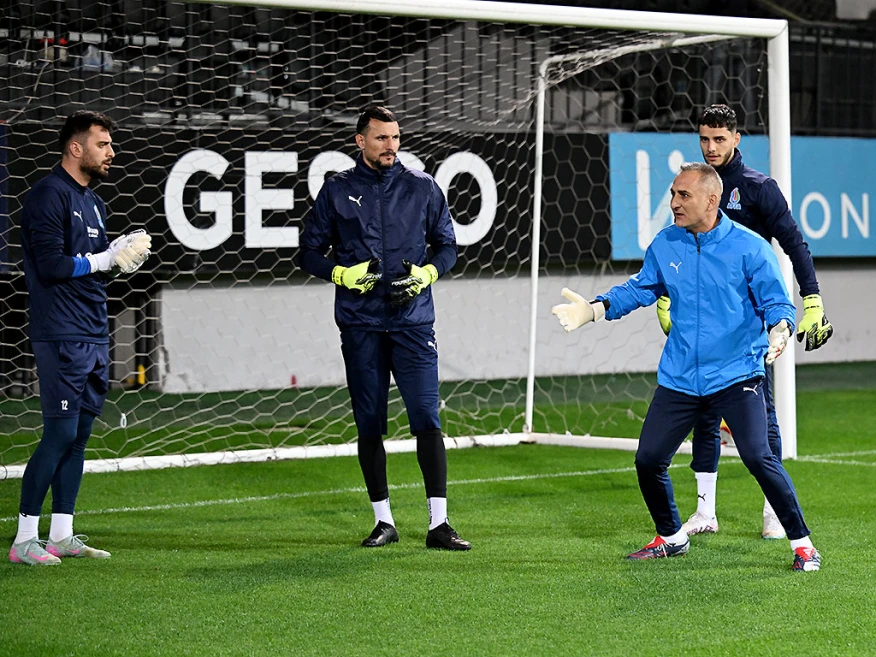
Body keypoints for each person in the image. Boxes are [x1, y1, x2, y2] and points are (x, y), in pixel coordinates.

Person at [552, 162, 821, 571]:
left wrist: (780, 329)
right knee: (648, 459)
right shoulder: (666, 243)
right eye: (673, 194)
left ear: (711, 201)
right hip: (680, 377)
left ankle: (803, 545)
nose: (674, 203)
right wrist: (594, 309)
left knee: (757, 455)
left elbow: (777, 301)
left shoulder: (749, 247)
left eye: (683, 195)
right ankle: (672, 537)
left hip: (735, 374)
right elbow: (640, 288)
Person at [656, 104, 833, 541]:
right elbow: (678, 248)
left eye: (719, 139)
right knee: (703, 413)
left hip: (749, 322)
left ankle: (774, 511)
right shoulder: (693, 187)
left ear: (737, 138)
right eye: (704, 138)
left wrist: (811, 299)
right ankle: (705, 511)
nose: (711, 147)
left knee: (763, 413)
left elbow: (794, 244)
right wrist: (665, 295)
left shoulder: (758, 188)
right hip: (703, 319)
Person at [298, 105, 470, 551]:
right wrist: (340, 274)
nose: (391, 145)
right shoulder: (337, 189)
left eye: (395, 137)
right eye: (381, 138)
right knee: (370, 423)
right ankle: (384, 522)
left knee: (427, 419)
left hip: (414, 323)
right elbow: (308, 251)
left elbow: (447, 246)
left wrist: (428, 273)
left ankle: (439, 524)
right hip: (361, 325)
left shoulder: (422, 187)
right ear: (361, 141)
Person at [10, 111, 152, 566]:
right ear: (76, 148)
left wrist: (115, 260)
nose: (112, 153)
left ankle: (62, 535)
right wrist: (105, 259)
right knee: (60, 432)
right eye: (102, 144)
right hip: (60, 331)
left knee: (80, 436)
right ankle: (24, 540)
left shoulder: (94, 202)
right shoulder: (48, 195)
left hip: (93, 330)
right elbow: (52, 266)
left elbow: (90, 268)